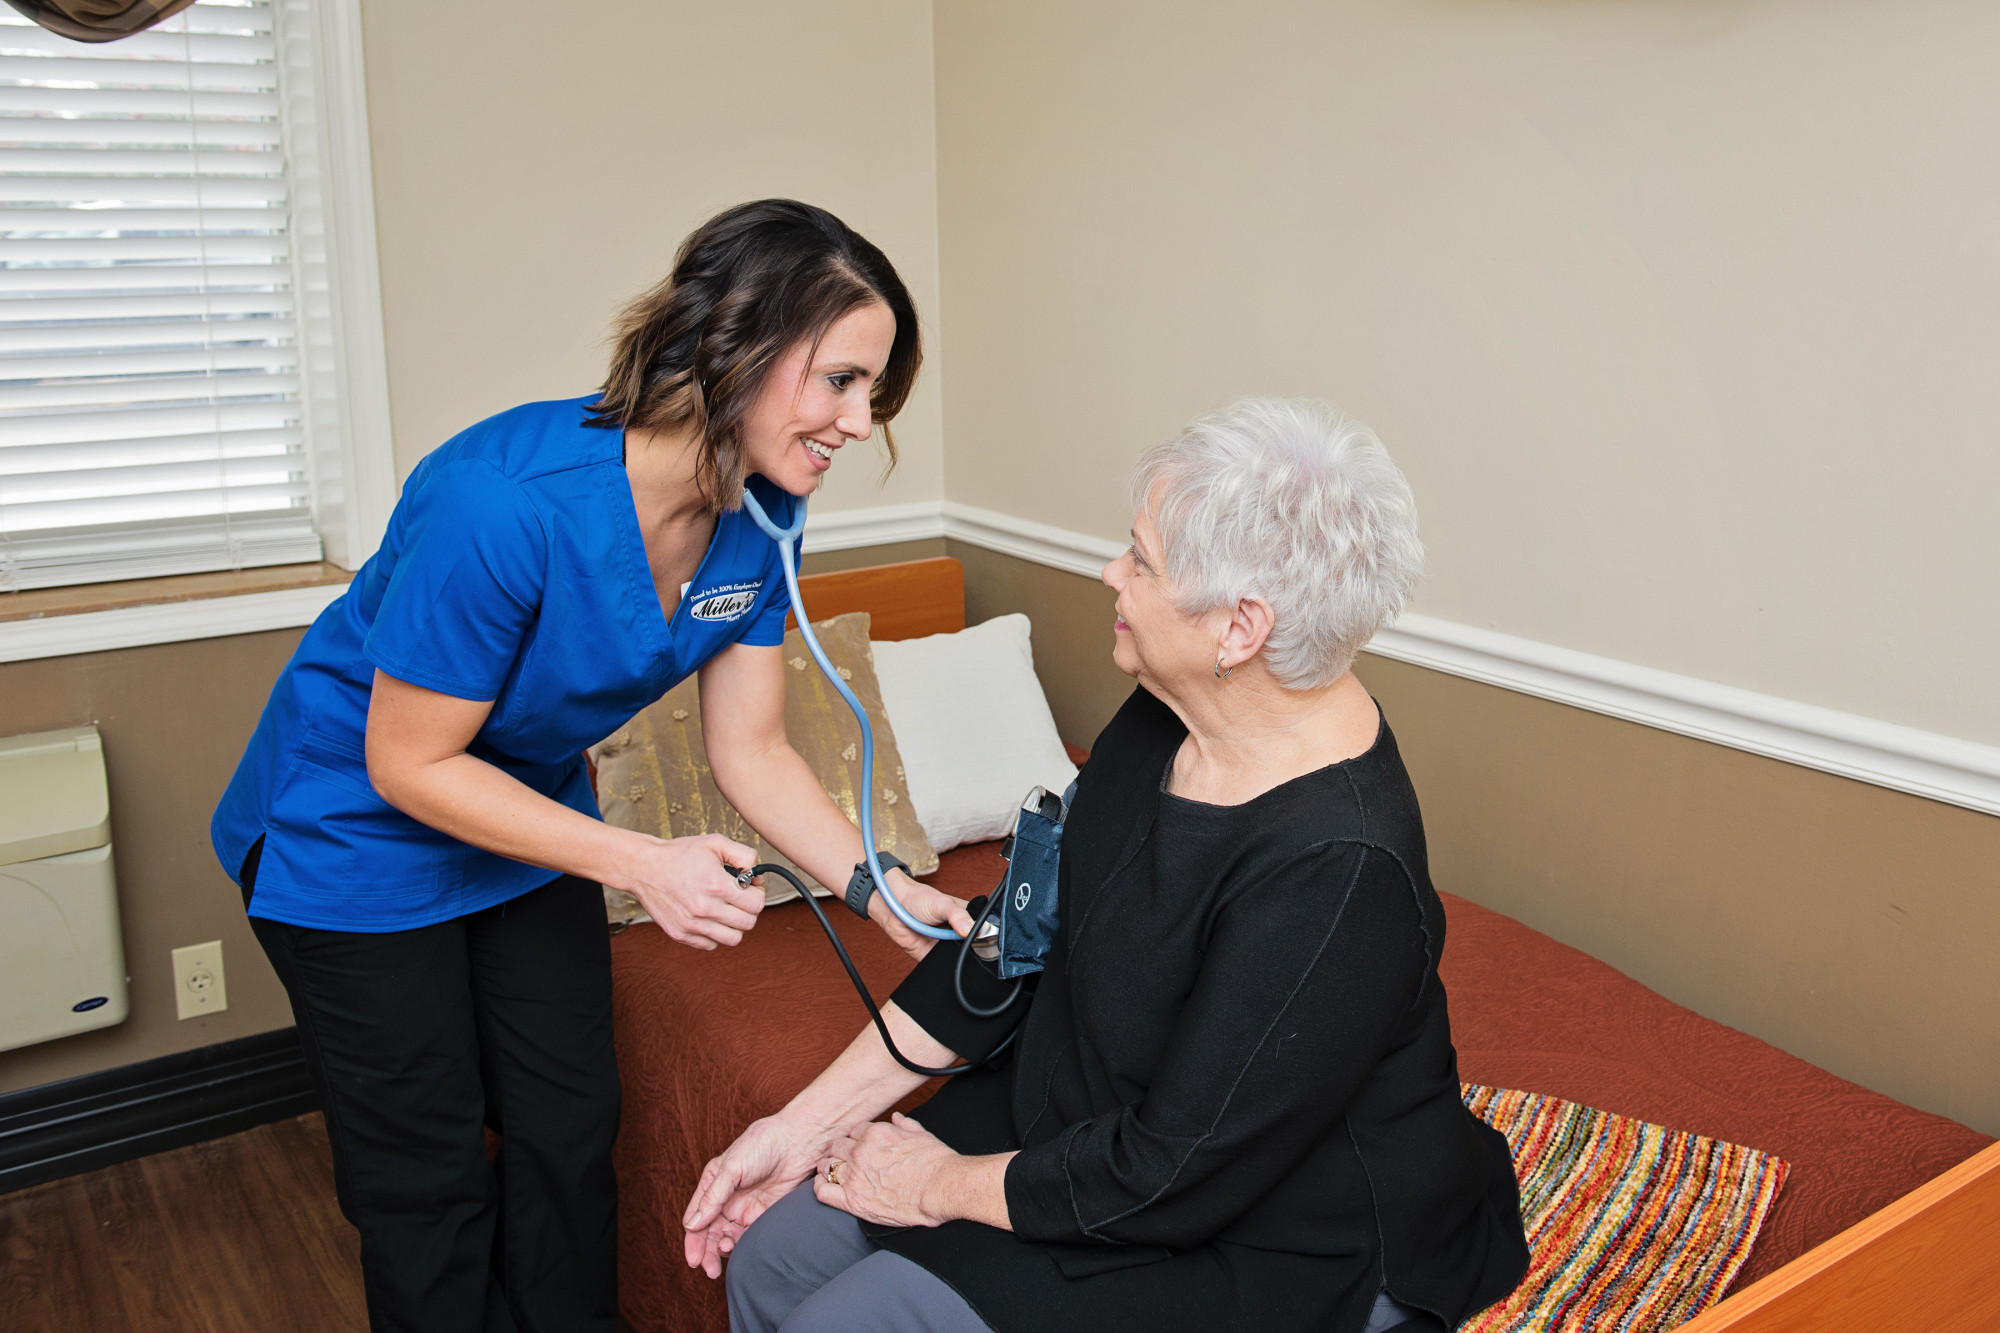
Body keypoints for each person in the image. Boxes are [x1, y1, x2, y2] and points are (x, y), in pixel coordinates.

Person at [210, 199, 975, 1333]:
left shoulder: (761, 517)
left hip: (521, 820)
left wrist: (877, 886)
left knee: (569, 1129)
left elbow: (750, 751)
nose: (860, 423)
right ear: (738, 344)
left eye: (875, 393)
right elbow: (409, 760)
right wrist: (641, 862)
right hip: (356, 830)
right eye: (841, 382)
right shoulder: (502, 505)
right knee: (425, 1178)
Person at [684, 397, 1531, 1333]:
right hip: (1086, 1120)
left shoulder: (1338, 868)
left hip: (1251, 1224)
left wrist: (940, 1183)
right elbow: (1012, 945)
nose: (1109, 573)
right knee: (771, 1258)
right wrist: (793, 1131)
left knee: (849, 1321)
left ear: (1240, 629)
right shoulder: (1167, 712)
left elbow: (1176, 1170)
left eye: (1141, 560)